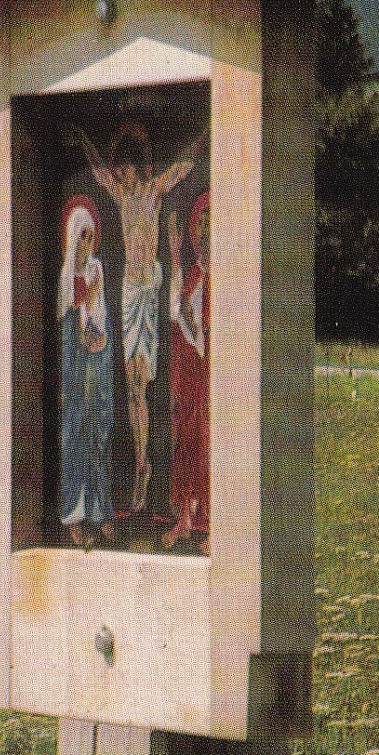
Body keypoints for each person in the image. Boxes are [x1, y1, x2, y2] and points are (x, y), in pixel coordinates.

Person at [78, 122, 203, 513]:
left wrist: (206, 133)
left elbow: (182, 168)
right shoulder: (118, 195)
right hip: (130, 293)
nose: (118, 174)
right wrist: (84, 138)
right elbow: (98, 172)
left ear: (136, 166)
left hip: (148, 291)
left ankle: (143, 467)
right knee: (133, 386)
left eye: (124, 168)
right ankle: (140, 466)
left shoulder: (152, 192)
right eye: (117, 169)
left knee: (142, 383)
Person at [57, 196, 115, 547]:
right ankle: (73, 515)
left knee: (99, 426)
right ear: (71, 237)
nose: (86, 243)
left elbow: (98, 311)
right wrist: (83, 312)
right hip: (73, 359)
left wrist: (97, 332)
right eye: (81, 236)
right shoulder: (66, 276)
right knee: (74, 429)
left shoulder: (96, 269)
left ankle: (99, 510)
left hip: (95, 352)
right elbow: (70, 317)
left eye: (90, 237)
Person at [164, 192, 211, 553]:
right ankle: (185, 519)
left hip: (210, 372)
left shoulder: (222, 277)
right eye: (203, 230)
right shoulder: (194, 273)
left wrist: (201, 331)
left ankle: (212, 523)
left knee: (209, 444)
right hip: (189, 371)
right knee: (186, 442)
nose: (206, 238)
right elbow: (177, 315)